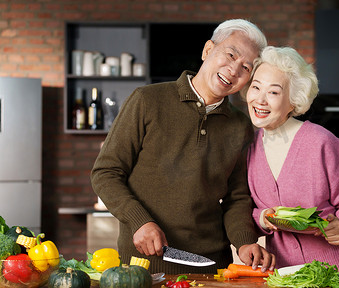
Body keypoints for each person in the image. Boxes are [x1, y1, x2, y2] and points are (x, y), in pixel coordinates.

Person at [90, 19, 276, 274]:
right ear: (208, 50)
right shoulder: (146, 101)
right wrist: (139, 222)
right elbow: (106, 173)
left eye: (246, 67)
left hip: (212, 265)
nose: (233, 70)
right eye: (230, 54)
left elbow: (237, 197)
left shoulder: (241, 125)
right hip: (145, 264)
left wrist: (244, 242)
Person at [245, 46, 339, 276]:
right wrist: (262, 217)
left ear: (293, 102)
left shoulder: (322, 143)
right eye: (255, 87)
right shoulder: (248, 148)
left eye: (273, 92)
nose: (259, 99)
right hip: (285, 275)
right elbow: (244, 208)